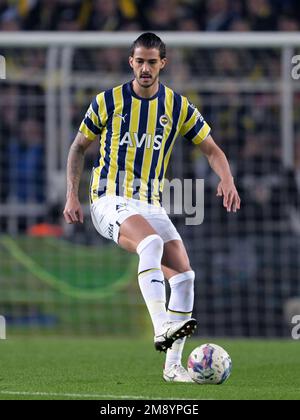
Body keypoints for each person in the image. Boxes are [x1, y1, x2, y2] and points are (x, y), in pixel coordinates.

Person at [63, 32, 241, 383]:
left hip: (150, 204)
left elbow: (212, 150)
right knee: (151, 243)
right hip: (108, 199)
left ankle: (173, 368)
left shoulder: (176, 106)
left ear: (163, 63)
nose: (145, 68)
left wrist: (227, 179)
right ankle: (161, 327)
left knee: (186, 277)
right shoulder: (108, 101)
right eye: (139, 61)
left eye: (152, 62)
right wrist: (72, 195)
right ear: (131, 62)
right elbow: (78, 148)